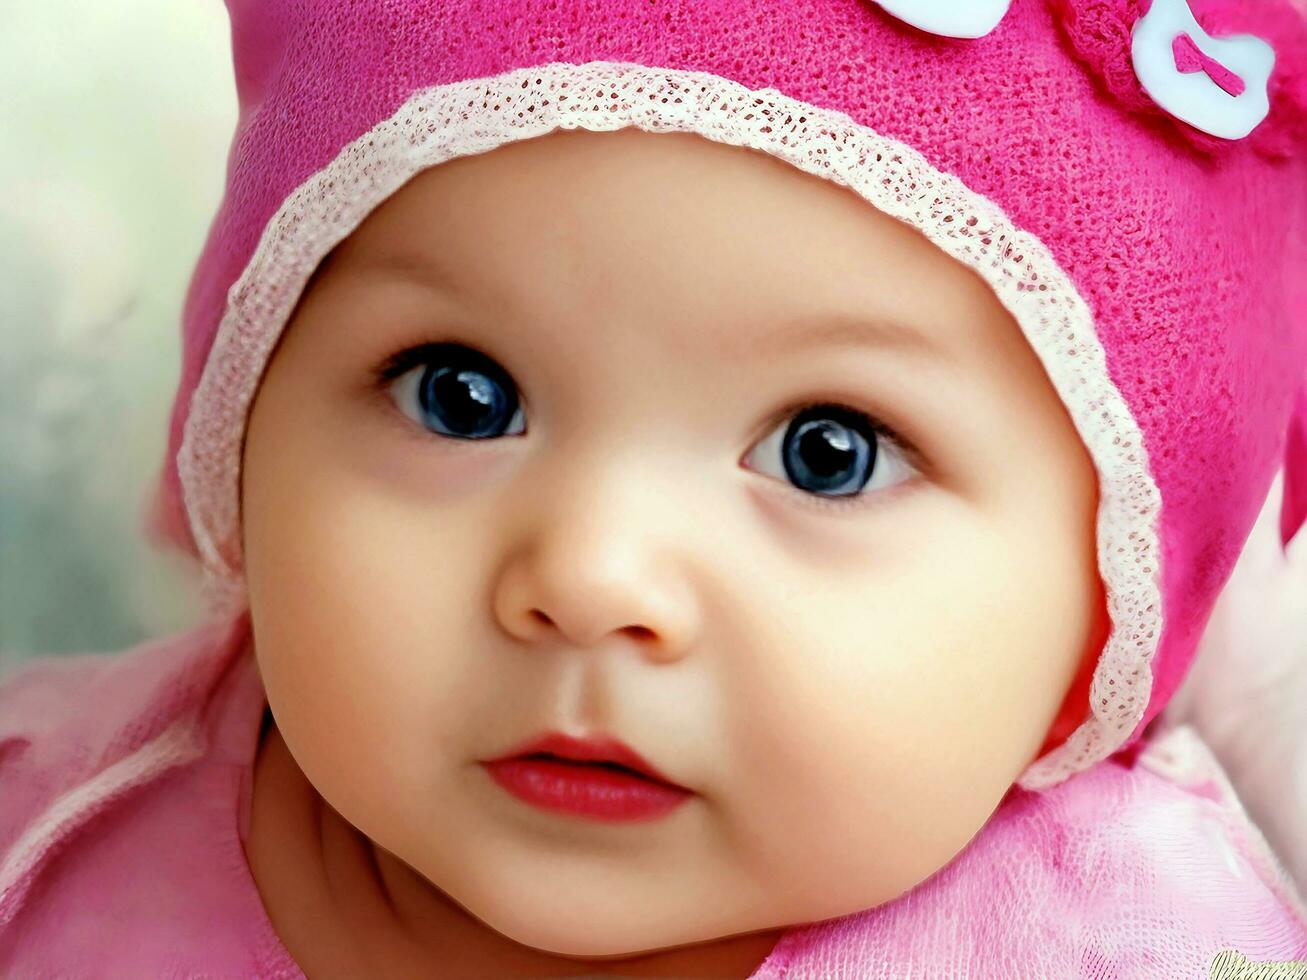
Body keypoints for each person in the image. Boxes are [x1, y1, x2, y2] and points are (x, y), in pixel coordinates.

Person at [3, 0, 1307, 976]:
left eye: (826, 452)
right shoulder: (45, 833)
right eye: (461, 394)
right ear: (244, 424)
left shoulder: (1127, 945)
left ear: (1105, 623)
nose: (590, 578)